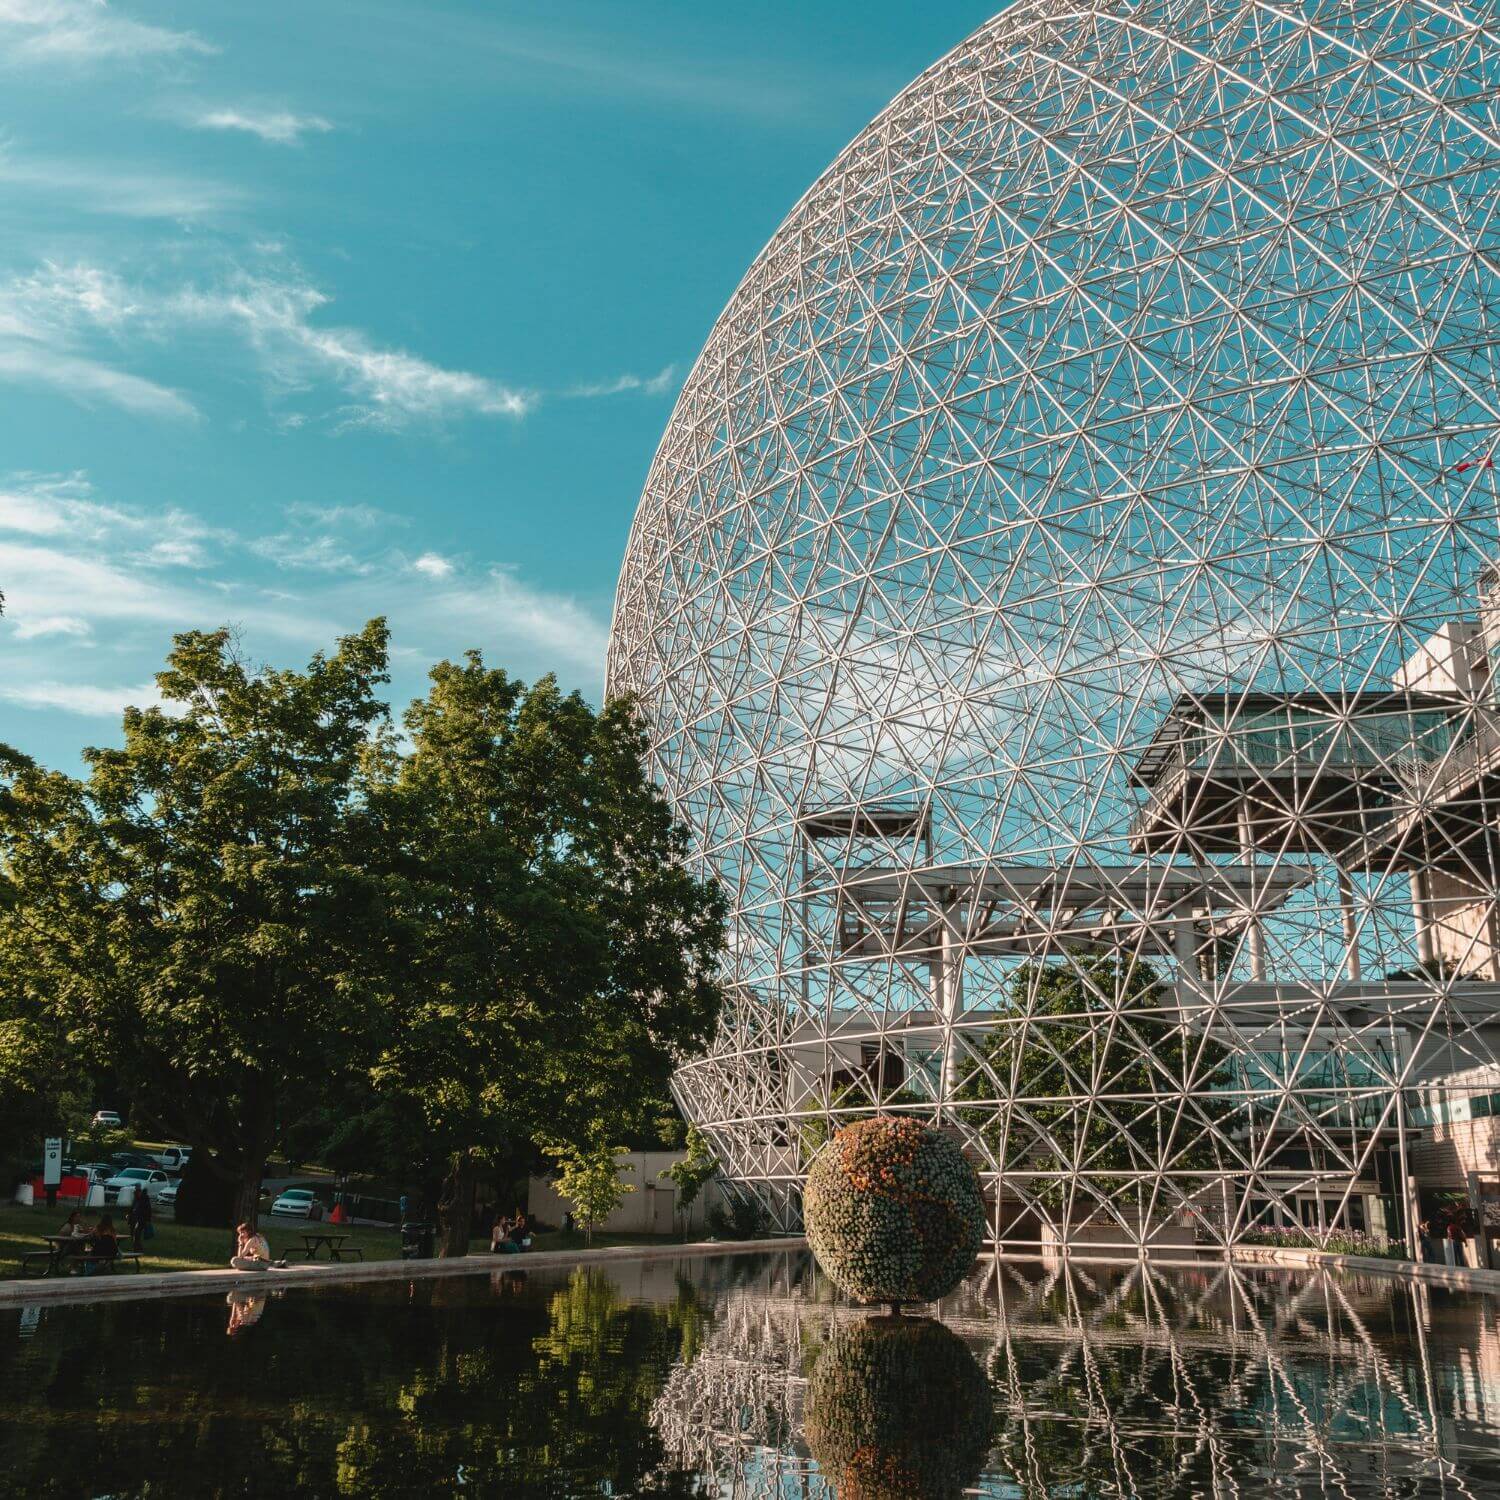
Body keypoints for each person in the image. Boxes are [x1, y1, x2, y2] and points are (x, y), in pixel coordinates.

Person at [127, 1184, 153, 1252]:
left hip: (140, 1220)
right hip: (134, 1219)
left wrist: (147, 1220)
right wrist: (129, 1215)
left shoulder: (144, 1199)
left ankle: (138, 1248)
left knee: (136, 1234)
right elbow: (132, 1208)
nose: (136, 1193)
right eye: (136, 1191)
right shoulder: (136, 1198)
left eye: (138, 1191)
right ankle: (136, 1248)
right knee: (133, 1234)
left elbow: (148, 1211)